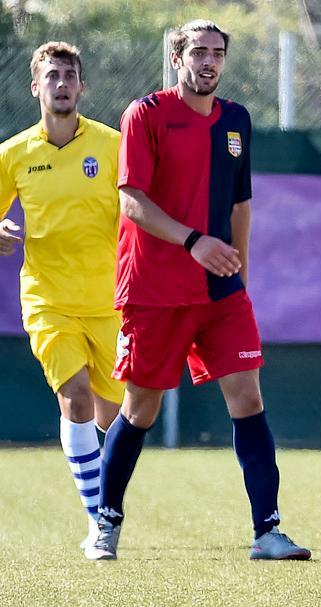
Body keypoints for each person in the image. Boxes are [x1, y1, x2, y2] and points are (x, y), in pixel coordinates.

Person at [86, 20, 310, 562]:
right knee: (141, 409)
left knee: (248, 397)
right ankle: (106, 521)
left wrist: (241, 278)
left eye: (217, 53)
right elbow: (132, 201)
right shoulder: (146, 114)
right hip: (155, 289)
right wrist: (194, 242)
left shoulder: (236, 120)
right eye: (199, 53)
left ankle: (268, 531)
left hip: (221, 293)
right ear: (177, 57)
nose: (208, 62)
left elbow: (239, 207)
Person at [0, 41, 123, 551]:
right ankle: (99, 521)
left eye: (69, 75)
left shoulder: (113, 145)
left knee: (114, 417)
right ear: (36, 87)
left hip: (112, 300)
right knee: (73, 399)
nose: (61, 84)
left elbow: (141, 207)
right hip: (48, 299)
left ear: (82, 85)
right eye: (51, 76)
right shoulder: (13, 154)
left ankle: (107, 504)